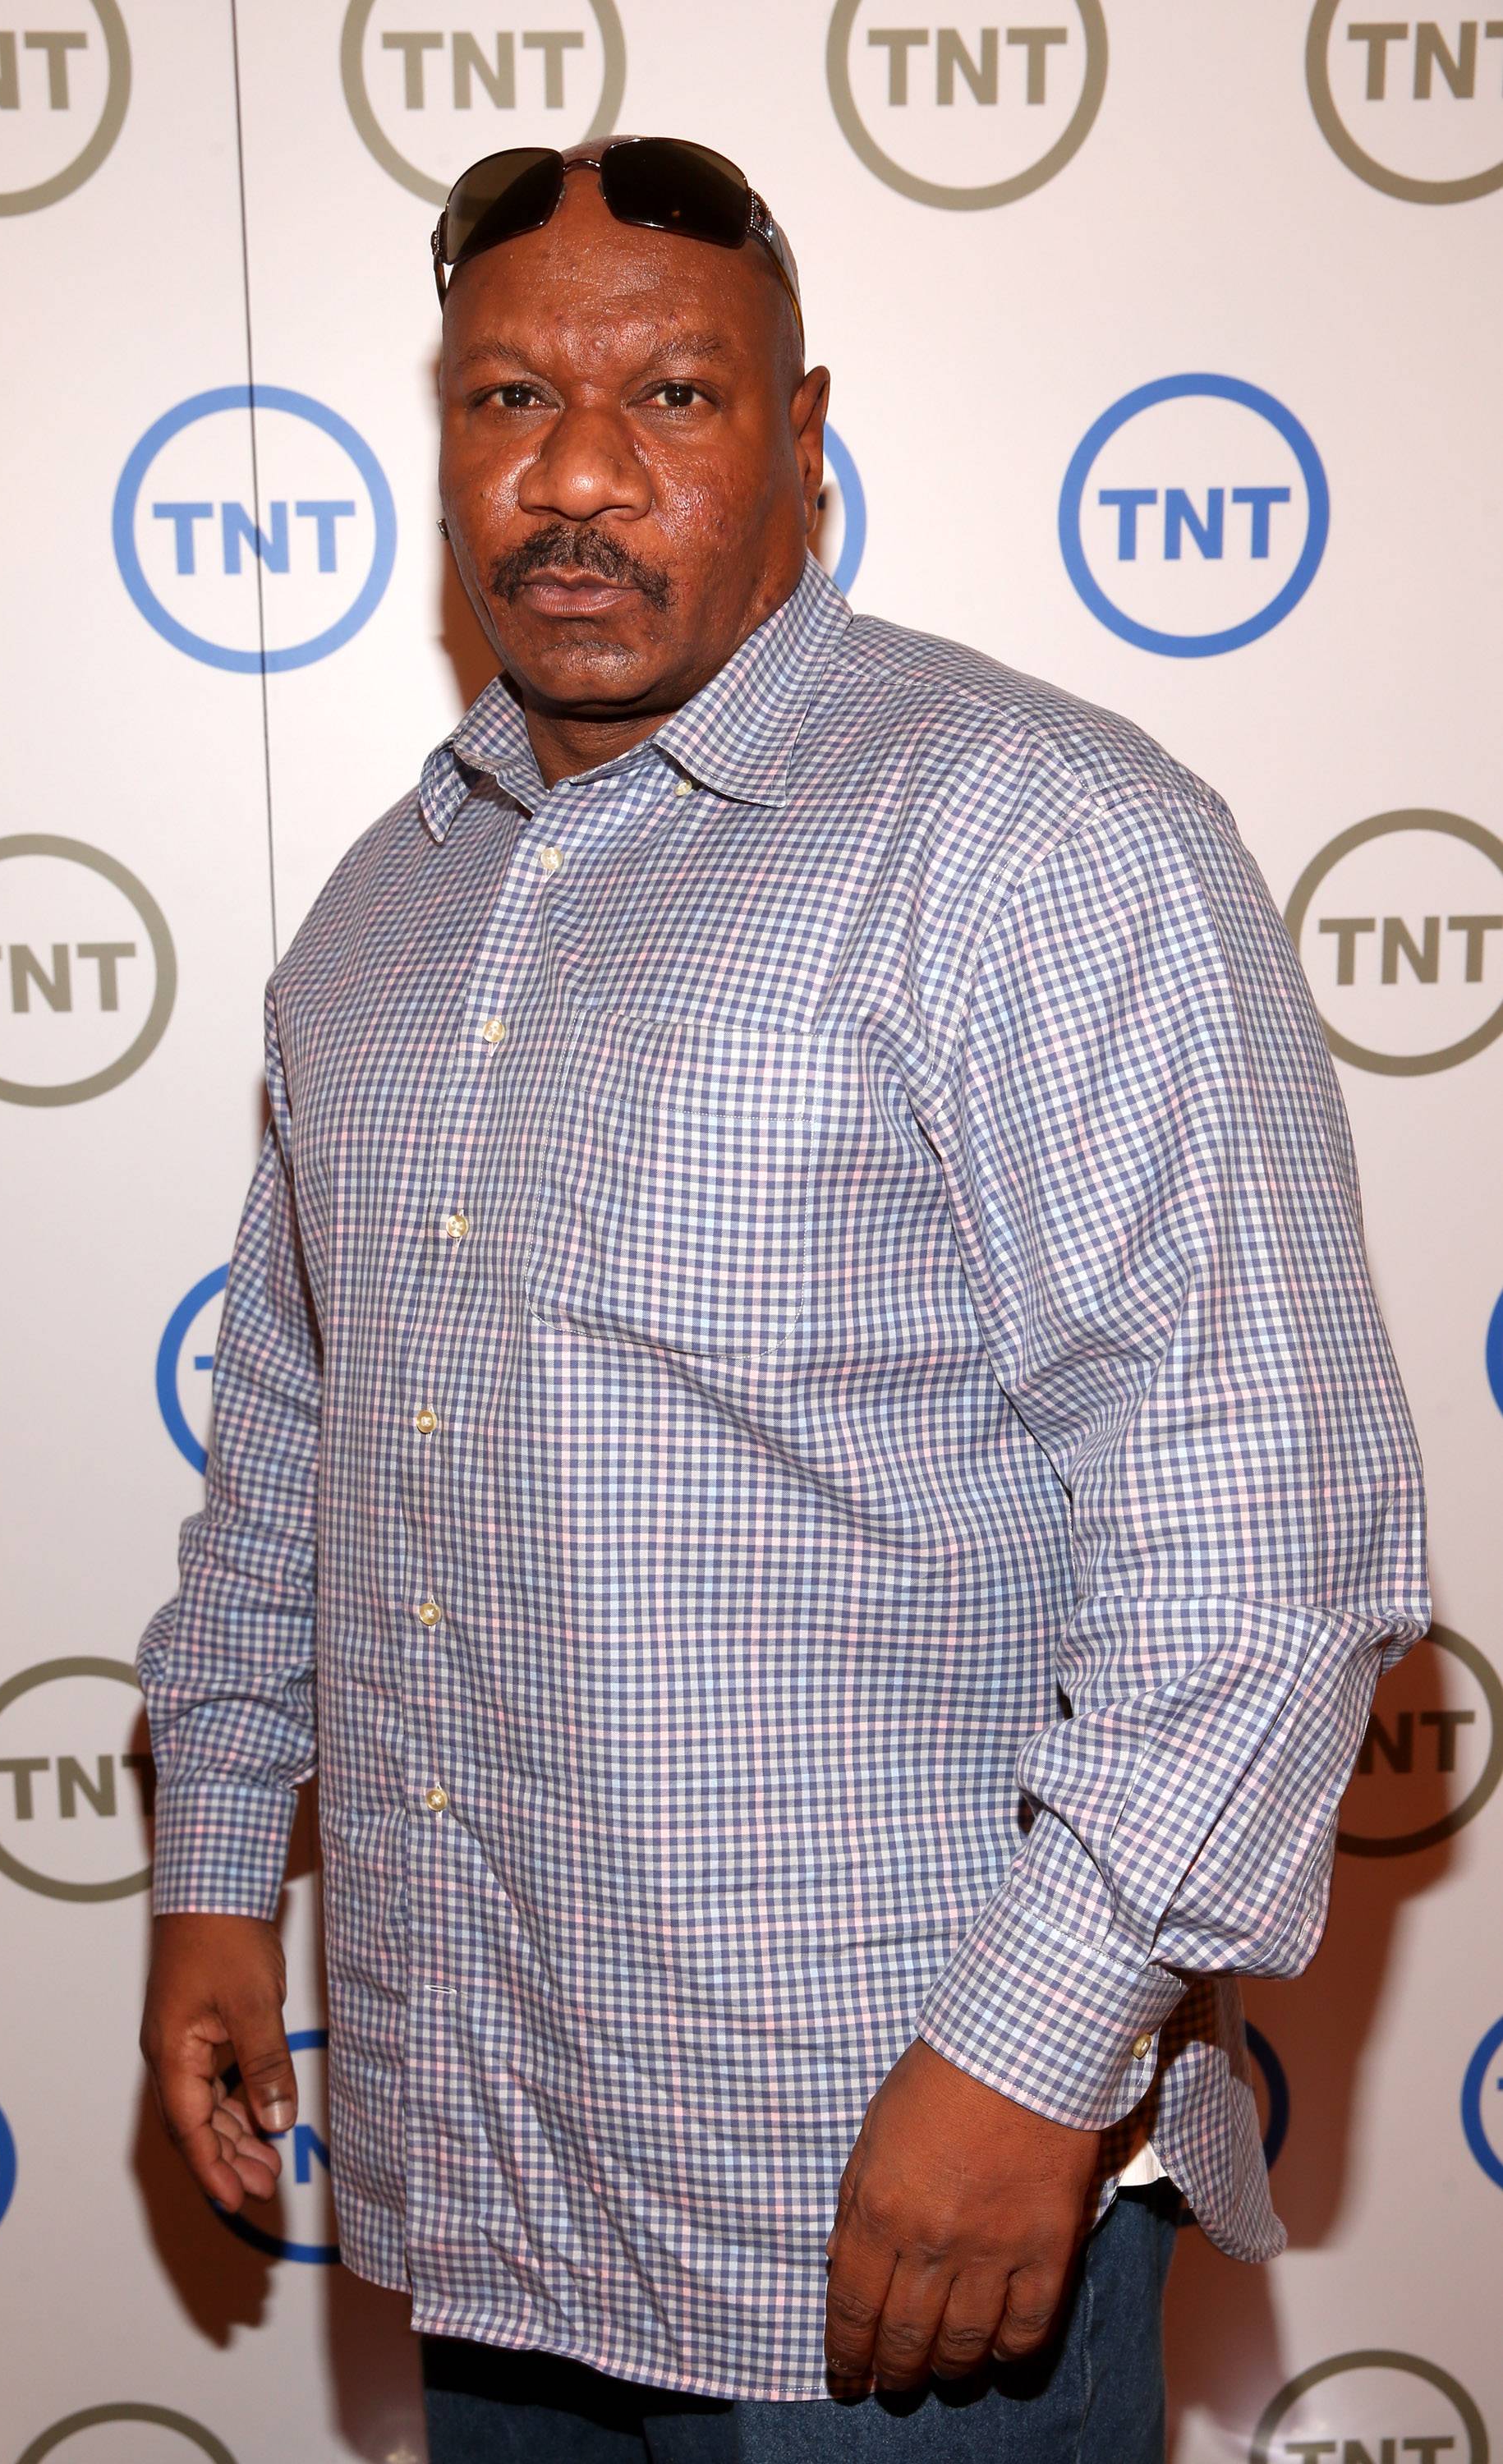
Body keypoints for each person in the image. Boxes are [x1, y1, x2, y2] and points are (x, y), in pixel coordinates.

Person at [136, 137, 1428, 2462]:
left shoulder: (1031, 835)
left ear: (802, 437)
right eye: (509, 398)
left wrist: (1030, 2054)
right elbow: (295, 1445)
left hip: (891, 2200)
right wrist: (220, 1866)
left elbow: (1260, 1528)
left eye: (674, 397)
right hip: (493, 2164)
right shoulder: (380, 915)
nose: (575, 476)